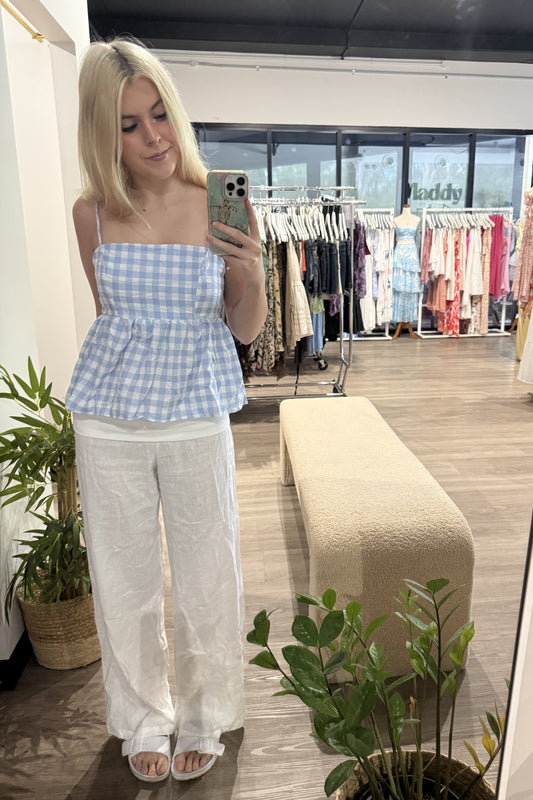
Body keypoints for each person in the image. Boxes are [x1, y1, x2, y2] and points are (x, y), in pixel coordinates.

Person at [65, 38, 267, 783]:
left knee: (209, 573)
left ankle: (205, 713)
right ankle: (142, 717)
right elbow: (108, 316)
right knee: (122, 578)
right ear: (100, 133)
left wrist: (246, 272)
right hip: (109, 417)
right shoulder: (90, 212)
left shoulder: (219, 196)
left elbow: (245, 330)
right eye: (127, 125)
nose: (152, 137)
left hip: (194, 409)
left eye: (158, 115)